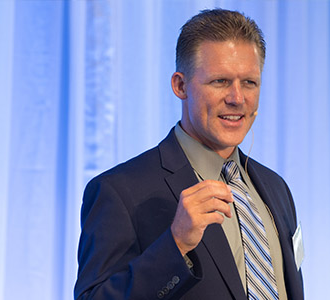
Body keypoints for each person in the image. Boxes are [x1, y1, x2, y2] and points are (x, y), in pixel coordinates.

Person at [74, 8, 304, 300]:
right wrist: (176, 244)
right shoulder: (119, 191)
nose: (237, 98)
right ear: (180, 86)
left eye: (249, 82)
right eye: (220, 81)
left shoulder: (276, 188)